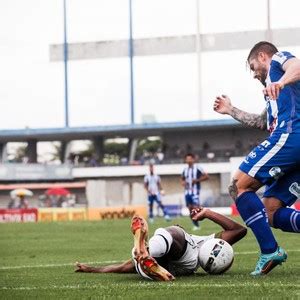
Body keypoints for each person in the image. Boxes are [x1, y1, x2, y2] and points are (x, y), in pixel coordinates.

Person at [213, 41, 300, 276]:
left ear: (263, 56)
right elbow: (262, 123)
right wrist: (231, 110)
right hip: (294, 147)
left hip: (291, 138)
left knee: (237, 186)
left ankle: (270, 250)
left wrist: (280, 81)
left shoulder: (279, 60)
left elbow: (298, 66)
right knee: (270, 211)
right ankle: (270, 249)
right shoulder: (275, 95)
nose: (254, 74)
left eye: (253, 67)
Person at [75, 208, 247, 280]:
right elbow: (240, 230)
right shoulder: (212, 246)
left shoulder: (209, 244)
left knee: (173, 235)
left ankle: (143, 247)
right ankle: (145, 251)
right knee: (169, 242)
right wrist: (94, 269)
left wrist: (207, 212)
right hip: (176, 257)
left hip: (174, 249)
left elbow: (239, 230)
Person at [181, 153, 209, 230]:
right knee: (190, 209)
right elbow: (182, 180)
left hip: (195, 192)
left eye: (190, 158)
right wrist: (183, 183)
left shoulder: (198, 168)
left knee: (196, 208)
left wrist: (197, 180)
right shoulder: (185, 170)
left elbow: (207, 176)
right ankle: (196, 225)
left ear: (193, 159)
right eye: (187, 159)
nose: (188, 160)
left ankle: (203, 215)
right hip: (187, 192)